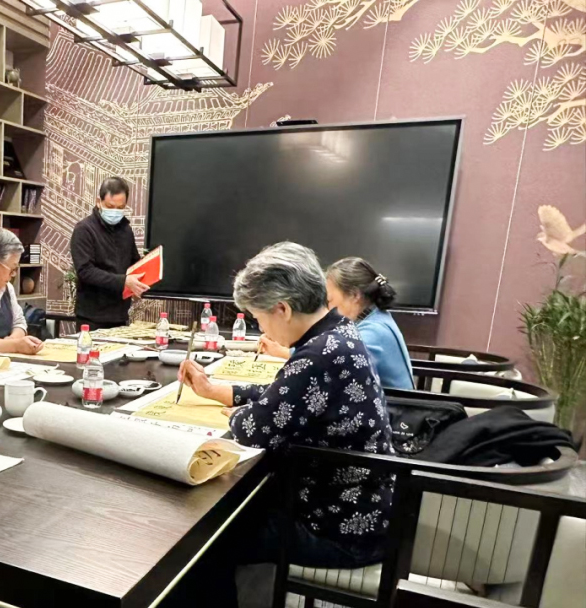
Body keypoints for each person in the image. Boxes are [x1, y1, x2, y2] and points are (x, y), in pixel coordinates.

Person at [171, 242, 394, 608]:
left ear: (283, 309)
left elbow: (256, 428)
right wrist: (218, 391)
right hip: (361, 508)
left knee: (203, 541)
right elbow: (285, 396)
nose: (260, 326)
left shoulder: (318, 355)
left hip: (340, 528)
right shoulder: (337, 333)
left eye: (258, 317)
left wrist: (240, 414)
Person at [259, 257, 415, 389]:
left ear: (354, 295)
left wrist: (285, 352)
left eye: (330, 300)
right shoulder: (375, 316)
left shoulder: (373, 332)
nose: (328, 308)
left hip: (395, 410)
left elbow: (327, 361)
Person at [70, 177, 147, 330]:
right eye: (110, 206)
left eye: (120, 207)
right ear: (99, 201)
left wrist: (146, 269)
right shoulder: (84, 230)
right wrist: (123, 281)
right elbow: (85, 271)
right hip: (91, 317)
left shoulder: (126, 230)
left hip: (120, 314)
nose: (115, 212)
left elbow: (134, 262)